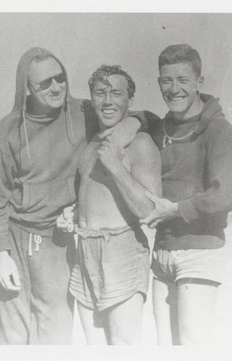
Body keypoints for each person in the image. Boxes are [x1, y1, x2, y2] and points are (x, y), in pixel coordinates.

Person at [0, 48, 146, 344]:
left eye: (61, 79)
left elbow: (145, 117)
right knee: (10, 337)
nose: (57, 87)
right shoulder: (9, 128)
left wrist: (133, 124)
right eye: (46, 83)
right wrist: (1, 253)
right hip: (15, 240)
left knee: (55, 336)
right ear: (28, 89)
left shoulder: (84, 113)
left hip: (59, 243)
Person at [140, 44, 232, 345]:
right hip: (162, 252)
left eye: (183, 80)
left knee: (192, 344)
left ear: (199, 82)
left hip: (200, 251)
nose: (174, 89)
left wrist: (175, 210)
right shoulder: (160, 128)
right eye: (166, 80)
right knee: (165, 345)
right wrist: (136, 120)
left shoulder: (219, 130)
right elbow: (139, 118)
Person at [60, 65, 161, 345]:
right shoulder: (92, 143)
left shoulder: (140, 143)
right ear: (92, 99)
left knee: (124, 345)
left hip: (122, 249)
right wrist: (74, 212)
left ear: (130, 100)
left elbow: (150, 211)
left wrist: (116, 166)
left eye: (116, 94)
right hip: (85, 251)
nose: (108, 101)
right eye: (100, 93)